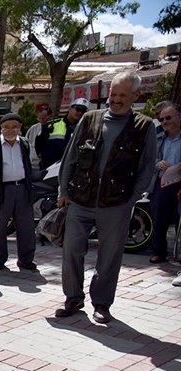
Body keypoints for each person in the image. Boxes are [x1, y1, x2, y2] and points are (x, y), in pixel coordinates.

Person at [54, 72, 156, 324]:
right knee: (71, 251)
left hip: (116, 204)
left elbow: (147, 168)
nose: (116, 100)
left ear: (135, 96)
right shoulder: (90, 119)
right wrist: (63, 191)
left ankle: (101, 303)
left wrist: (130, 200)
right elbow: (70, 158)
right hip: (80, 199)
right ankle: (73, 298)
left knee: (109, 257)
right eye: (113, 94)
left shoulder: (144, 127)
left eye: (123, 95)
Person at [0, 113, 38, 272]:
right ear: (1, 128)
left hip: (22, 189)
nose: (10, 130)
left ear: (20, 128)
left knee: (26, 227)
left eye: (14, 127)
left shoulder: (25, 144)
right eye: (6, 127)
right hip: (1, 191)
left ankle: (26, 260)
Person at [149, 103, 181, 264]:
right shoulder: (159, 137)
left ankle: (179, 253)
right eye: (161, 119)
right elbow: (150, 159)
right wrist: (158, 164)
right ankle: (159, 252)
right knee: (159, 217)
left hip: (180, 182)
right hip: (162, 182)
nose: (164, 122)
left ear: (179, 117)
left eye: (168, 118)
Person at [36, 97, 88, 170]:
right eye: (78, 109)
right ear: (70, 108)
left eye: (83, 111)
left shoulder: (84, 130)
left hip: (71, 171)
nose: (80, 113)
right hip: (50, 170)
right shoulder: (51, 125)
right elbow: (38, 146)